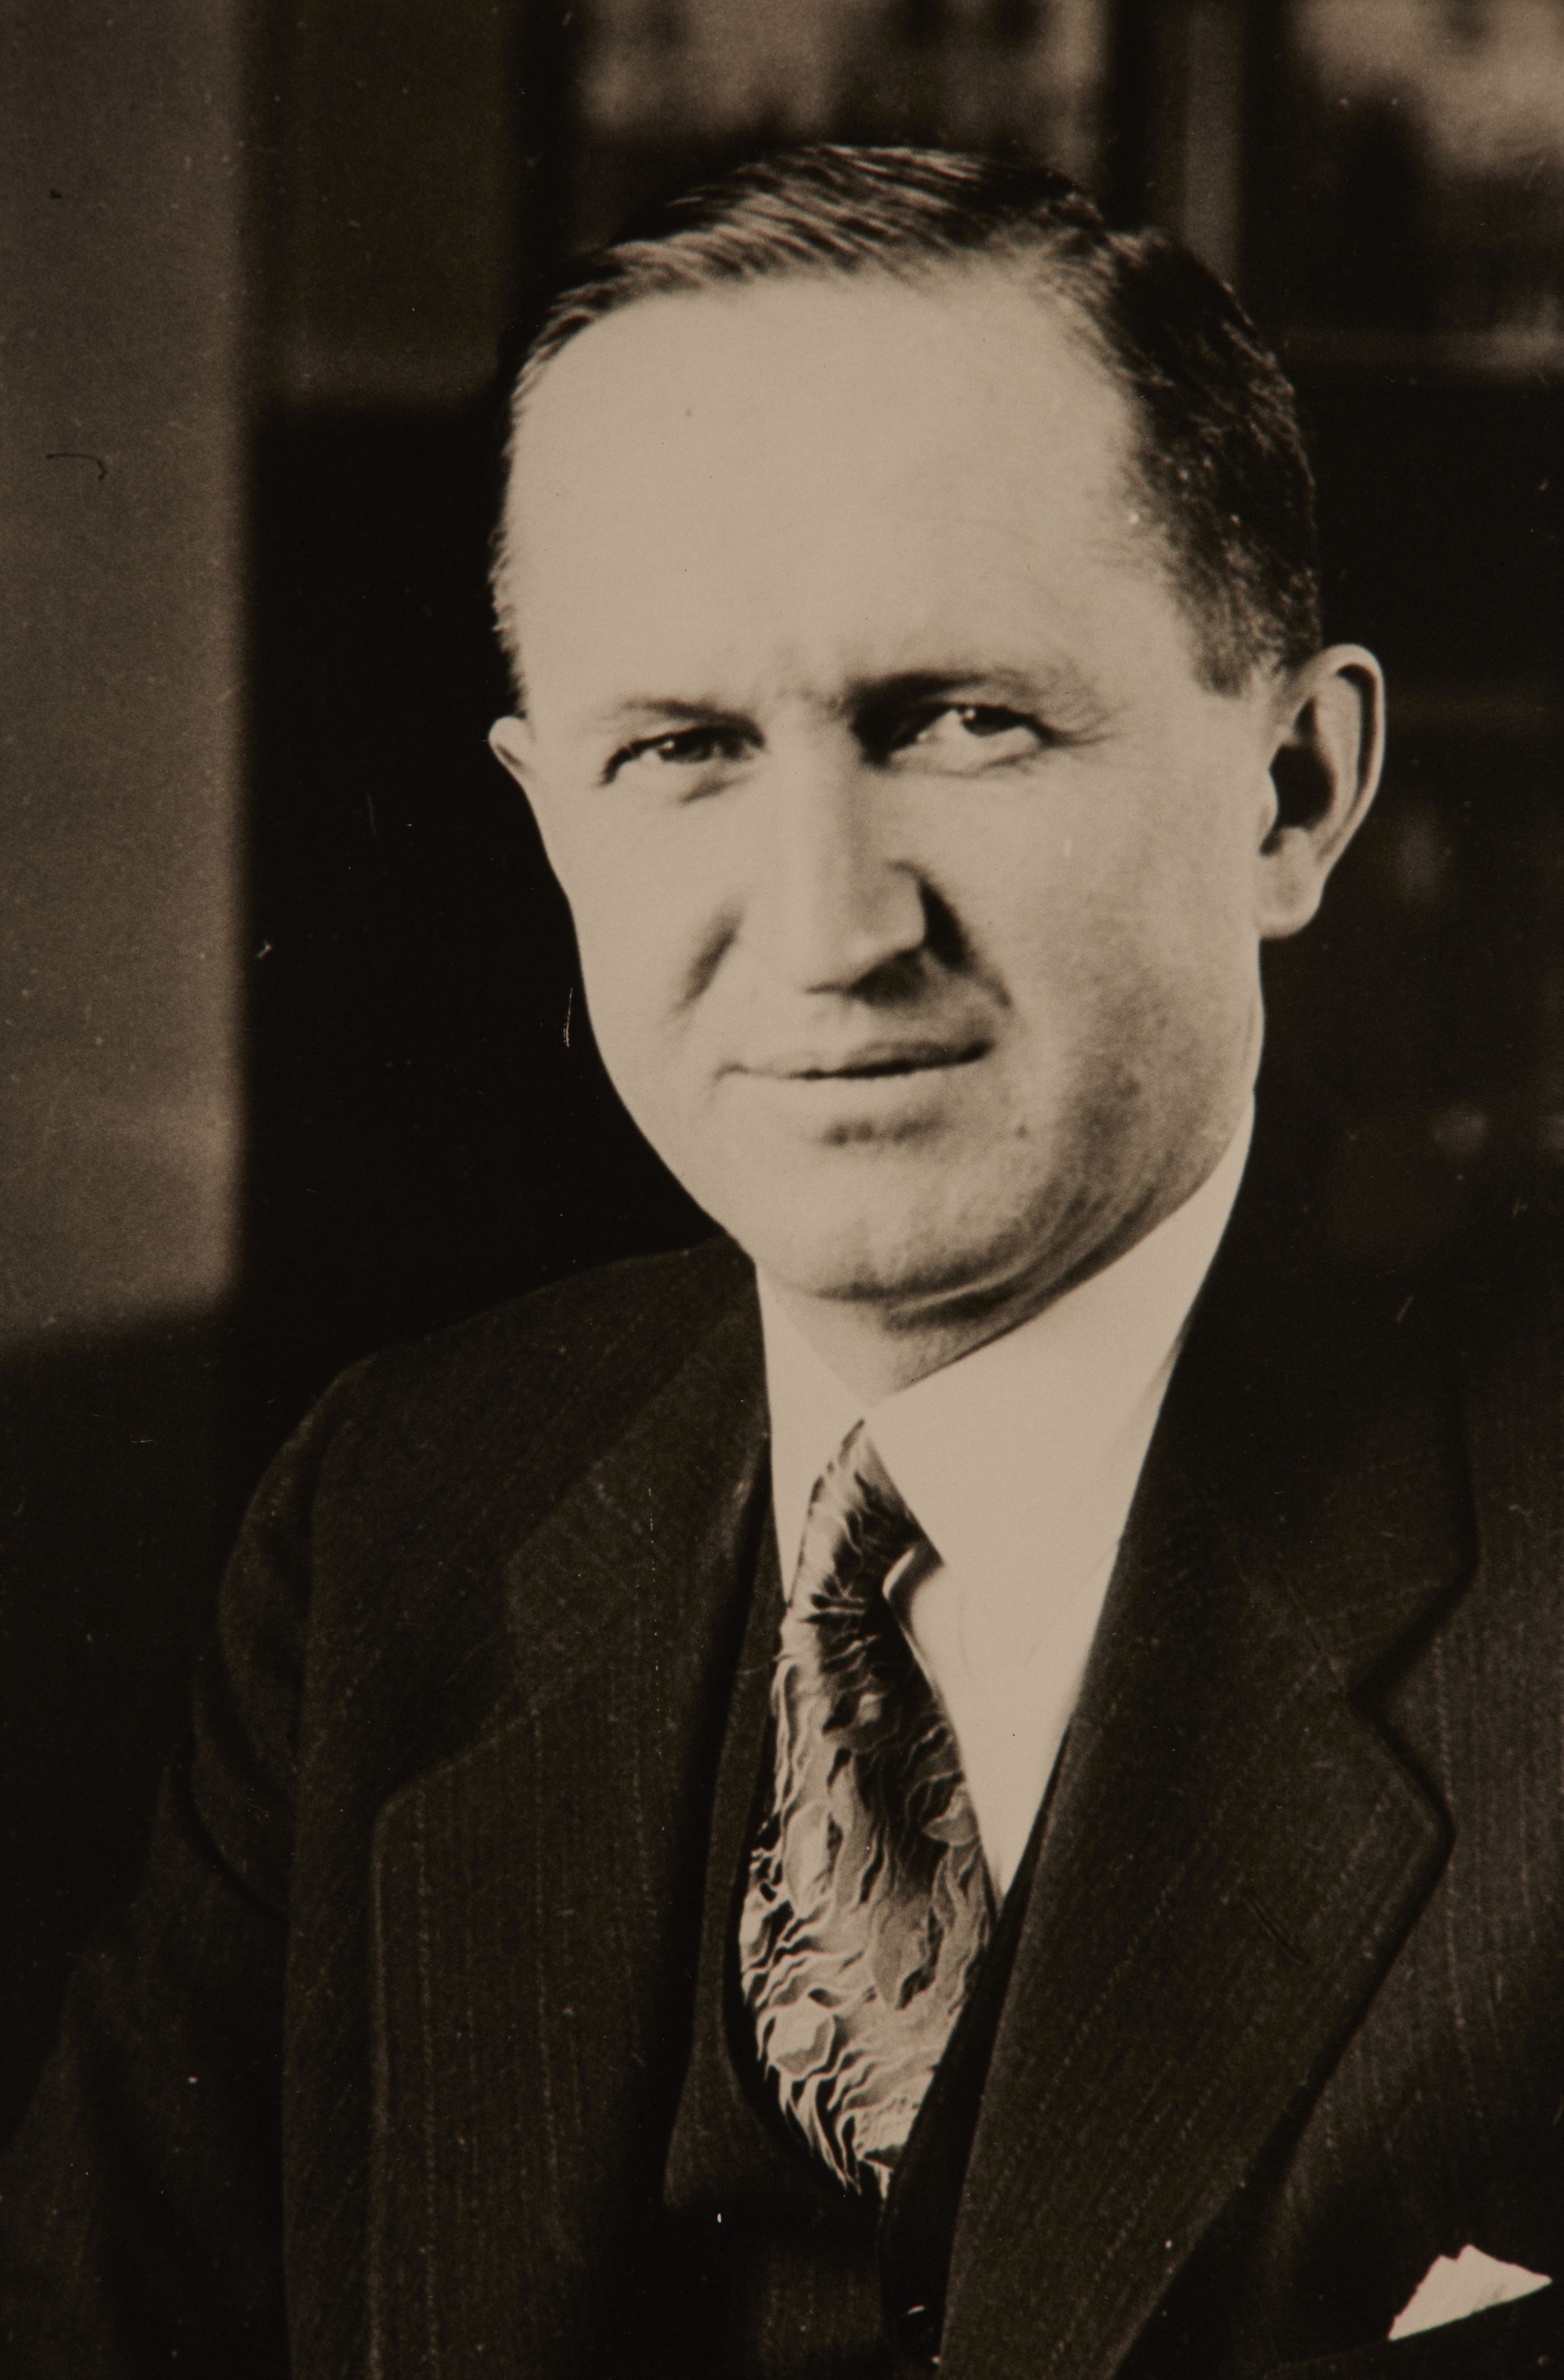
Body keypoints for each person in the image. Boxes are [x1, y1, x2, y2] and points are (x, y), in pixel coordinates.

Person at [1, 143, 1561, 2380]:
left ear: (1294, 792)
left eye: (962, 723)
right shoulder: (399, 1521)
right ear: (551, 824)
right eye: (683, 752)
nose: (831, 929)